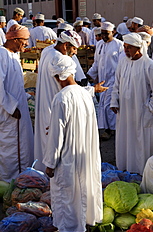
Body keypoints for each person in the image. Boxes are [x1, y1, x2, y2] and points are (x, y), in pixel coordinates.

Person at [43, 54, 102, 232]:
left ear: (58, 77)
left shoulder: (61, 98)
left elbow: (57, 136)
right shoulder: (84, 94)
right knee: (85, 190)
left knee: (68, 196)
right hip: (86, 153)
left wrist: (50, 163)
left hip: (68, 156)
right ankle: (85, 230)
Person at [34, 29, 107, 172]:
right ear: (66, 45)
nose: (74, 53)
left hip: (46, 107)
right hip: (57, 109)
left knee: (47, 145)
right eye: (73, 48)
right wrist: (93, 90)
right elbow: (69, 89)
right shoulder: (60, 60)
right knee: (58, 149)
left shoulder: (47, 51)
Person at [110, 32, 153, 175]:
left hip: (142, 112)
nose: (126, 50)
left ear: (138, 48)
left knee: (140, 144)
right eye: (125, 47)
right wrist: (114, 101)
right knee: (125, 141)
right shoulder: (123, 62)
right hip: (125, 111)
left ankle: (141, 173)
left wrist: (150, 108)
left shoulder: (149, 65)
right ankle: (124, 170)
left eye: (129, 47)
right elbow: (117, 84)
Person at [0, 24, 34, 182]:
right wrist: (11, 107)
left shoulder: (14, 55)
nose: (27, 44)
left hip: (19, 110)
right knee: (10, 150)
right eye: (25, 40)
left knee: (22, 146)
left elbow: (13, 84)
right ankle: (9, 184)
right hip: (8, 113)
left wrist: (25, 96)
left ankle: (22, 181)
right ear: (14, 39)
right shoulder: (1, 54)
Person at [87, 21, 124, 140]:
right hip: (102, 80)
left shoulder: (119, 45)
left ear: (113, 32)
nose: (103, 36)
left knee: (110, 105)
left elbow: (122, 64)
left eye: (106, 33)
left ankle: (112, 130)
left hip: (114, 80)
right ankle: (107, 129)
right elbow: (96, 63)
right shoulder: (99, 44)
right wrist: (89, 75)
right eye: (102, 33)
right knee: (103, 105)